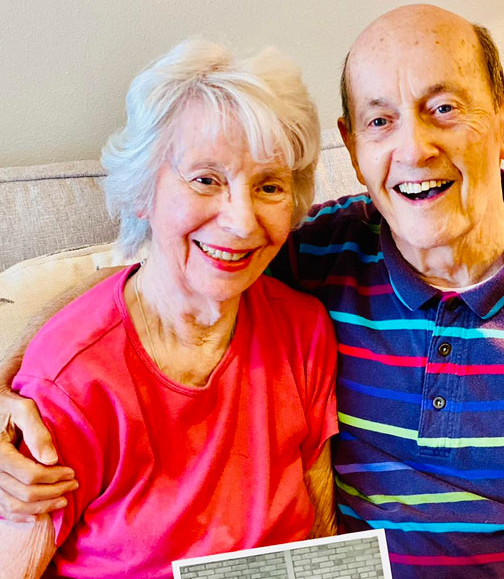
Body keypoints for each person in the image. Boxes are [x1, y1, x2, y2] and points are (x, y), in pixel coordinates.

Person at [2, 3, 504, 579]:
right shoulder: (324, 254)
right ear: (355, 148)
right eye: (381, 120)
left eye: (444, 107)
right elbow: (163, 280)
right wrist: (20, 382)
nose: (415, 149)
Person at [0, 37, 338, 578]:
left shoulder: (303, 329)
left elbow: (325, 539)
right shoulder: (71, 383)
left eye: (269, 186)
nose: (242, 221)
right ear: (142, 190)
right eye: (206, 179)